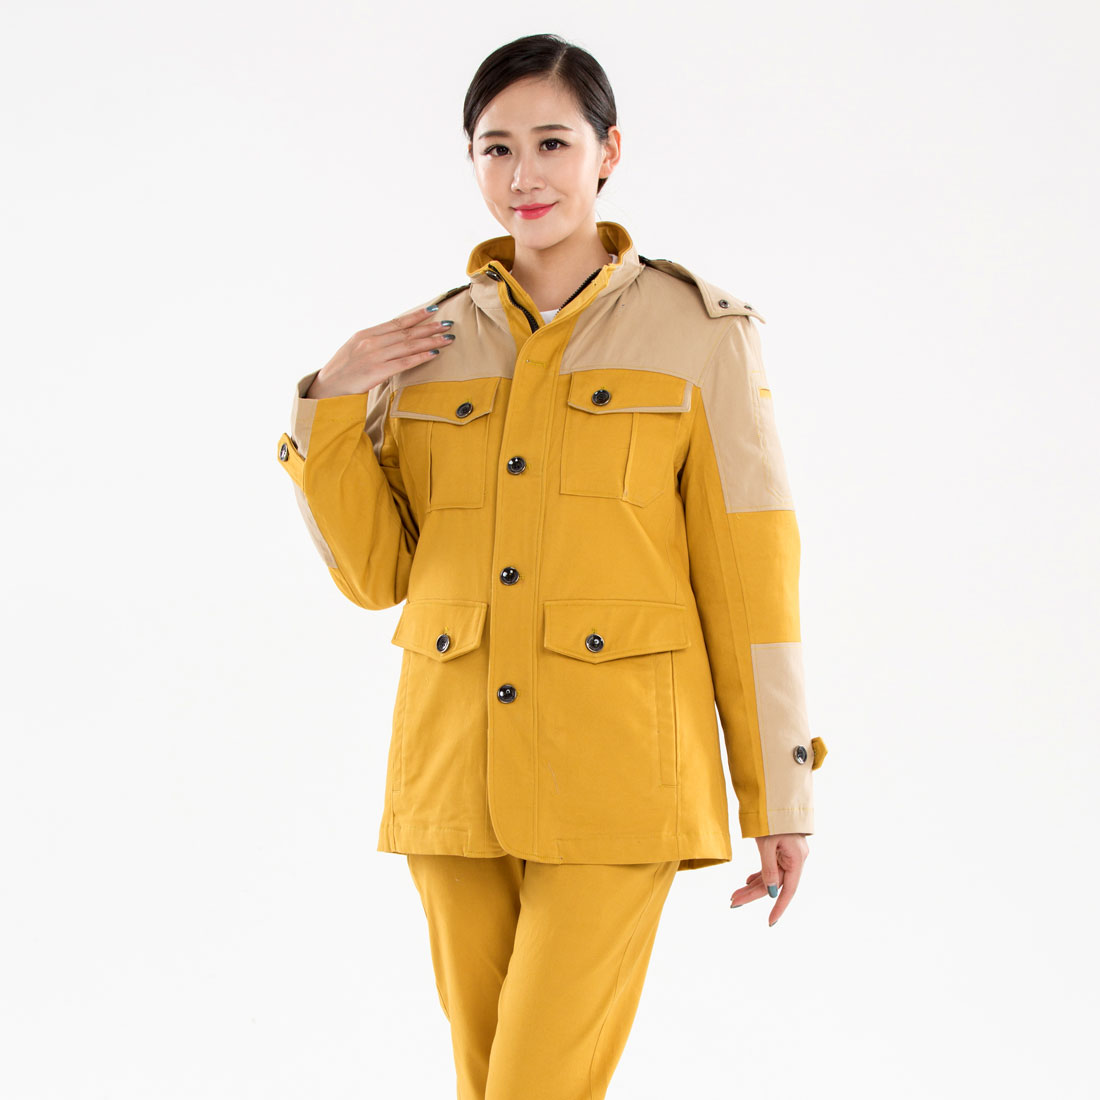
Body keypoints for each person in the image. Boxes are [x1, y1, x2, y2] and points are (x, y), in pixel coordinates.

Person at [275, 31, 828, 1100]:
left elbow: (751, 575)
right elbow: (376, 574)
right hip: (453, 773)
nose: (522, 174)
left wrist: (779, 791)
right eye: (495, 148)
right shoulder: (425, 345)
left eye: (551, 143)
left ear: (608, 151)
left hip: (621, 771)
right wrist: (329, 404)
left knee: (533, 1084)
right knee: (488, 1082)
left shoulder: (699, 332)